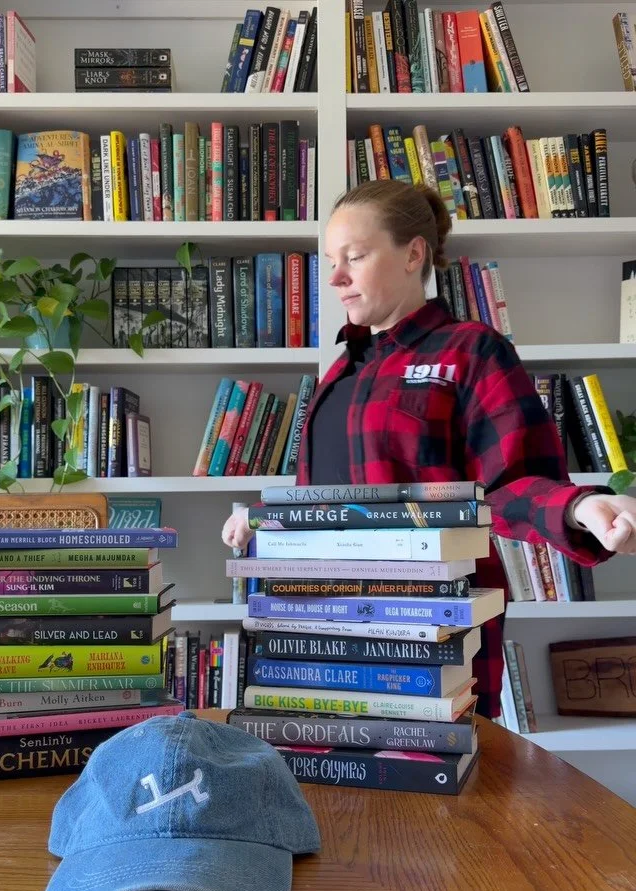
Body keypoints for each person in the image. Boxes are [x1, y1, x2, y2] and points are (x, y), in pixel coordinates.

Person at [222, 179, 636, 719]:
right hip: (327, 623)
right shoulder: (339, 371)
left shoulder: (472, 350)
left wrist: (579, 507)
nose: (335, 277)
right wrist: (267, 520)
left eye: (355, 256)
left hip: (432, 625)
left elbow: (510, 483)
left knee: (439, 783)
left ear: (414, 253)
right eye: (330, 260)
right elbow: (324, 501)